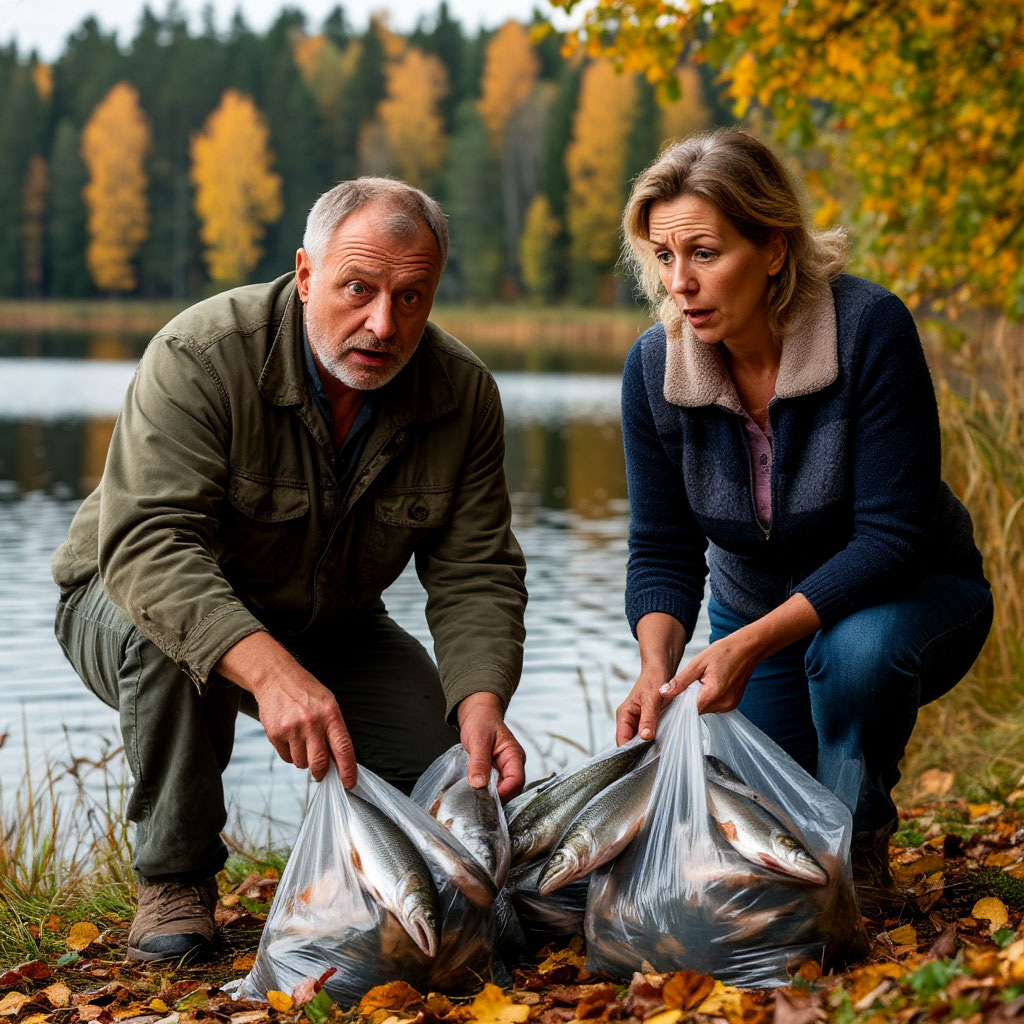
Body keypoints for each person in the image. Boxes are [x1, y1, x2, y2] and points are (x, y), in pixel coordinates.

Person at [52, 177, 529, 961]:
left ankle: (379, 881)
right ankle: (175, 878)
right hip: (125, 597)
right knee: (169, 644)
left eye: (412, 298)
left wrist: (480, 700)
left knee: (447, 779)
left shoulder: (463, 393)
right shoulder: (200, 354)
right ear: (306, 275)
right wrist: (270, 673)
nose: (383, 323)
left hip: (332, 626)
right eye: (358, 288)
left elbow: (477, 570)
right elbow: (150, 547)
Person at [613, 129, 992, 912]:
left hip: (908, 601)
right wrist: (657, 665)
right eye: (663, 256)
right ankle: (820, 842)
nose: (679, 283)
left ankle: (864, 844)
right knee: (771, 850)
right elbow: (661, 547)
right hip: (756, 617)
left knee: (852, 660)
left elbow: (892, 538)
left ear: (775, 249)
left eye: (705, 253)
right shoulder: (654, 368)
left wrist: (744, 647)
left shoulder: (867, 330)